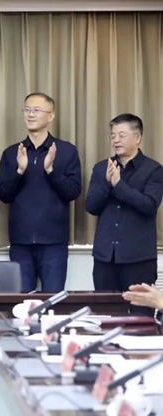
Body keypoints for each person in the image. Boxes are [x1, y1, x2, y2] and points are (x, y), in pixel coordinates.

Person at [0, 93, 81, 292]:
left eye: (36, 110)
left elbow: (73, 192)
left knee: (53, 300)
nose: (31, 114)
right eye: (27, 110)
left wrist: (51, 170)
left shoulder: (66, 151)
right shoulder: (12, 153)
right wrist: (20, 171)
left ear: (50, 116)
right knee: (21, 301)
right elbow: (3, 195)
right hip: (20, 241)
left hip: (54, 242)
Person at [86, 113, 163, 315]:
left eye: (122, 135)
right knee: (105, 316)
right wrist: (107, 183)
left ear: (137, 138)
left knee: (141, 319)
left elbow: (149, 205)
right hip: (105, 258)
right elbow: (91, 206)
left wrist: (119, 185)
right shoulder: (101, 168)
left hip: (138, 259)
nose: (116, 140)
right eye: (113, 136)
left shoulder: (154, 170)